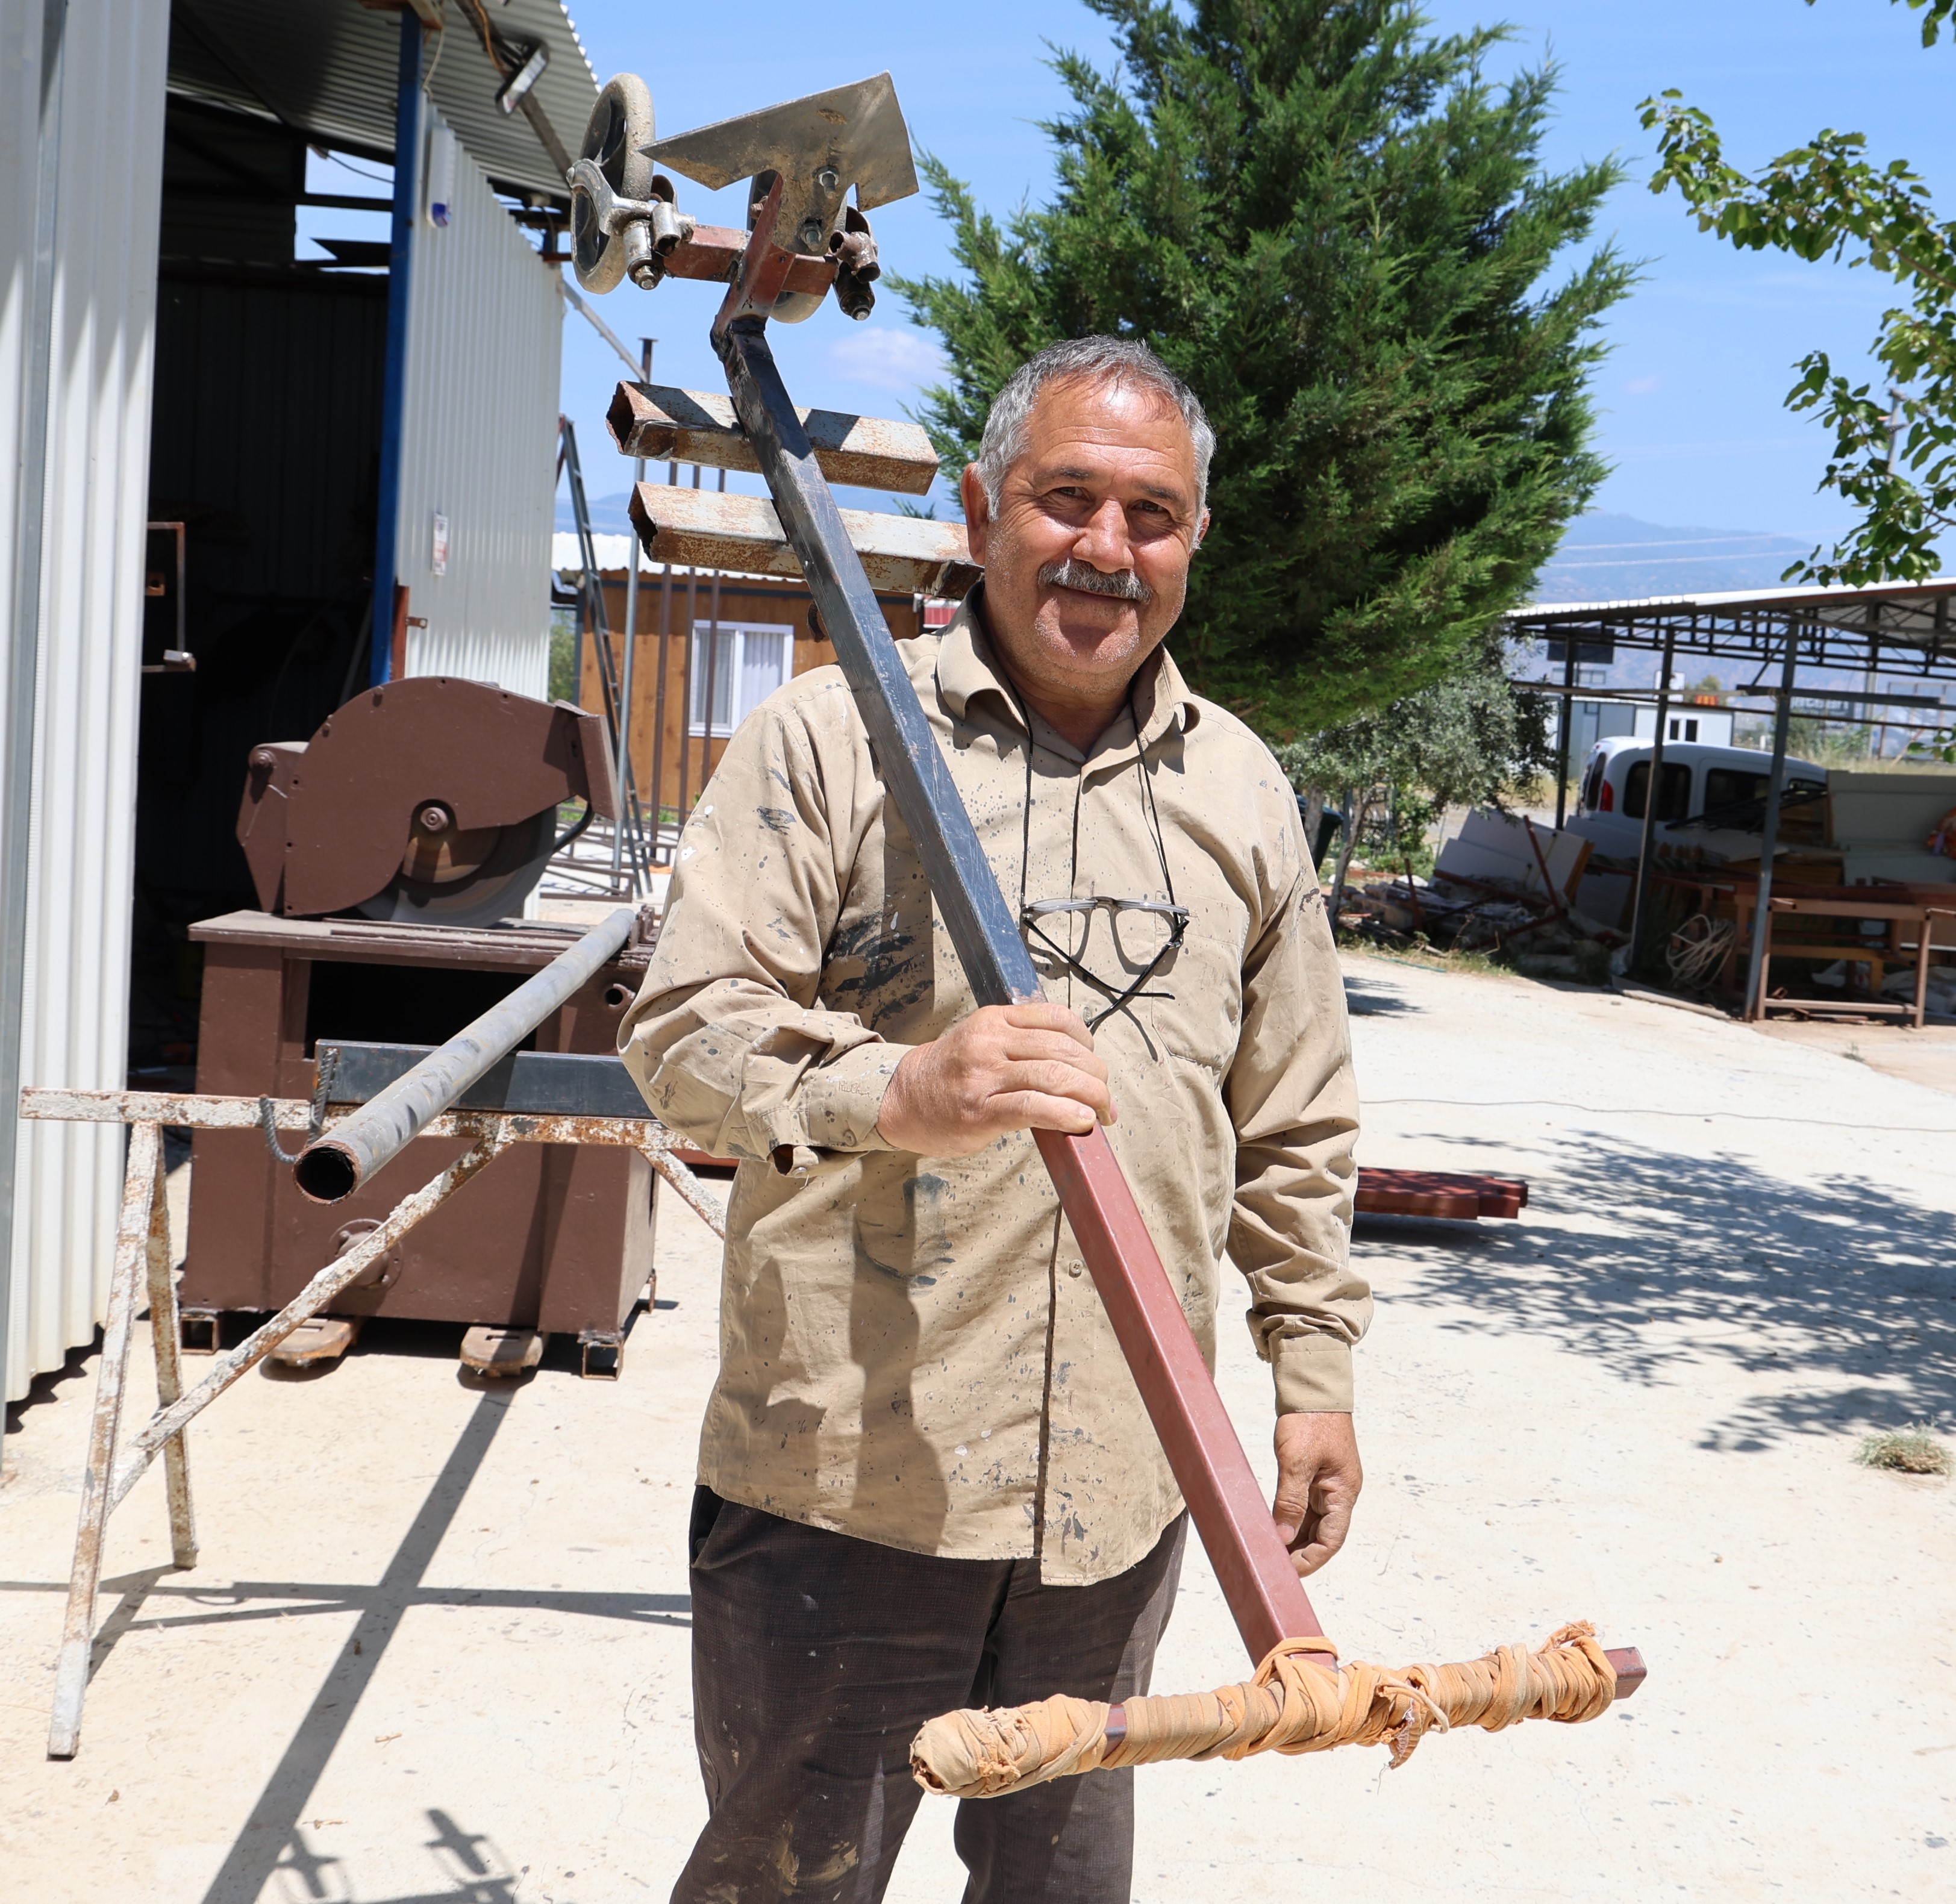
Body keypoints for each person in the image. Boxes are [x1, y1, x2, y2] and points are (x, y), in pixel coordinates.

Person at [620, 335, 1369, 1903]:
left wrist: (1314, 1368)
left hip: (1119, 1496)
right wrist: (901, 1088)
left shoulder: (1241, 791)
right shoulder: (831, 745)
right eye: (1067, 496)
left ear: (1193, 542)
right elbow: (683, 1033)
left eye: (1151, 513)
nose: (1107, 546)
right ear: (979, 508)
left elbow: (1293, 1113)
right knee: (788, 1882)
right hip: (851, 1486)